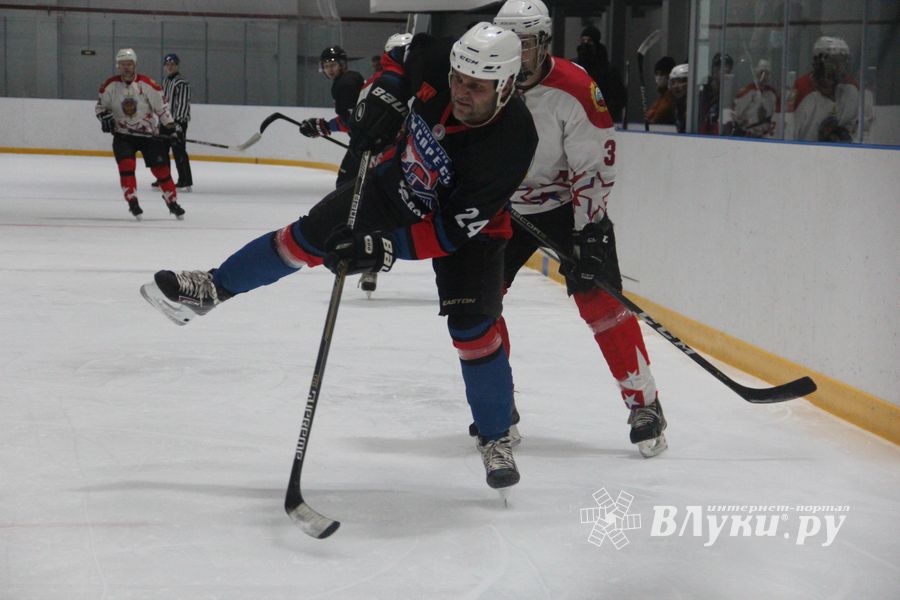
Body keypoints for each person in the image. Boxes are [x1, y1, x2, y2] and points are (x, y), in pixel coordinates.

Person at [140, 24, 539, 491]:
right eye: (457, 80)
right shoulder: (439, 58)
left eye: (477, 87)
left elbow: (450, 232)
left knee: (473, 330)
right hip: (395, 186)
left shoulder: (512, 140)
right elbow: (403, 51)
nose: (462, 91)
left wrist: (384, 248)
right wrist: (388, 91)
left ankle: (495, 437)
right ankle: (214, 287)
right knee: (306, 237)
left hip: (470, 235)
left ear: (506, 85)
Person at [492, 0, 666, 457]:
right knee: (480, 301)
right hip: (498, 205)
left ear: (543, 43)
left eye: (524, 46)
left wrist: (589, 231)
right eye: (508, 45)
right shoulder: (483, 80)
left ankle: (644, 404)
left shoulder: (574, 88)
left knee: (600, 300)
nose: (516, 56)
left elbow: (592, 168)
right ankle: (496, 406)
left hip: (566, 204)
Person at [355, 32, 414, 298]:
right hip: (396, 158)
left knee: (379, 208)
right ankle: (373, 258)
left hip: (381, 157)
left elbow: (355, 123)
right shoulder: (399, 82)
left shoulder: (376, 81)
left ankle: (372, 261)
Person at [95, 48, 185, 220]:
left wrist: (172, 128)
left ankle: (172, 201)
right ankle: (132, 201)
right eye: (123, 65)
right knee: (126, 166)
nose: (126, 68)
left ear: (134, 65)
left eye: (129, 64)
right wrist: (104, 118)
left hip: (149, 136)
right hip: (123, 135)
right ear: (118, 66)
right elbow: (100, 108)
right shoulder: (109, 86)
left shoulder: (148, 84)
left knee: (161, 171)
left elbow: (162, 108)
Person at [298, 46, 365, 186]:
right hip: (365, 140)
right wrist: (326, 126)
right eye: (326, 66)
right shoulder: (348, 79)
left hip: (365, 143)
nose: (329, 69)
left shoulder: (346, 84)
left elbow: (354, 122)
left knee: (345, 183)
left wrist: (327, 126)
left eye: (333, 65)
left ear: (342, 64)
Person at [787, 36, 874, 142]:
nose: (838, 67)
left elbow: (862, 126)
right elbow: (788, 129)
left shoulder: (851, 88)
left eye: (842, 62)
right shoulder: (801, 88)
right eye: (832, 61)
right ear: (818, 62)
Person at [573, 25, 627, 122]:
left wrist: (605, 116)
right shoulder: (575, 68)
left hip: (601, 121)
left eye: (589, 41)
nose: (585, 44)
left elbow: (618, 98)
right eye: (583, 41)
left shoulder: (608, 70)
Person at [159, 53, 193, 190]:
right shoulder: (166, 81)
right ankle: (164, 179)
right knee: (161, 151)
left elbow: (183, 103)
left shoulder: (181, 82)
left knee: (178, 151)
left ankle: (185, 181)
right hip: (165, 121)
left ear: (177, 65)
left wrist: (178, 123)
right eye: (167, 64)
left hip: (177, 122)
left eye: (172, 64)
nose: (170, 67)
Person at [725, 59, 779, 138]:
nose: (763, 76)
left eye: (767, 73)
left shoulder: (772, 94)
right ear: (756, 73)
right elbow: (734, 115)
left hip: (766, 138)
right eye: (761, 72)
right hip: (748, 137)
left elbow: (775, 117)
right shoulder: (746, 92)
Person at [698, 52, 733, 135]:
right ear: (714, 70)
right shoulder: (704, 89)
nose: (726, 74)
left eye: (728, 71)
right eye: (720, 68)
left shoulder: (730, 89)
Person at [645, 56, 677, 125]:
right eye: (656, 74)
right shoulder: (661, 97)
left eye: (662, 74)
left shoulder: (671, 98)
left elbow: (658, 117)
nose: (658, 77)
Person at [668, 63, 689, 133]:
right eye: (673, 82)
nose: (676, 87)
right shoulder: (677, 105)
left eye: (680, 81)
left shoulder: (697, 107)